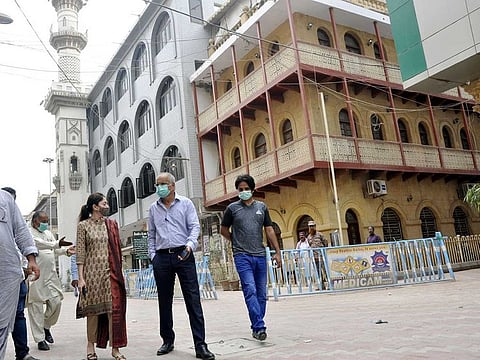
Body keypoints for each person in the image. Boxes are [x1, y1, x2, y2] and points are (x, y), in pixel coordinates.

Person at [148, 173, 215, 360]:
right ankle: (167, 340)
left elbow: (194, 227)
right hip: (161, 258)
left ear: (172, 186)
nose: (159, 187)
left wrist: (189, 246)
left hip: (183, 255)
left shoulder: (185, 203)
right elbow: (151, 234)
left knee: (193, 300)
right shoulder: (154, 208)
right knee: (164, 301)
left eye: (162, 184)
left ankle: (200, 345)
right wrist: (153, 256)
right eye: (157, 184)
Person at [220, 174, 282, 342]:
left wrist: (277, 251)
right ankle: (260, 326)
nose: (244, 191)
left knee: (262, 294)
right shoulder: (232, 209)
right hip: (242, 256)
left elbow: (269, 230)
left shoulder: (262, 207)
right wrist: (234, 239)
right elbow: (223, 229)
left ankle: (256, 324)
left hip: (260, 255)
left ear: (253, 189)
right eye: (240, 189)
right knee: (250, 290)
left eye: (247, 189)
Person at [76, 193, 127, 360]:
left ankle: (115, 349)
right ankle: (90, 347)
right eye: (104, 203)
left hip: (110, 274)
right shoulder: (83, 226)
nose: (107, 206)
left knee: (115, 311)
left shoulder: (112, 225)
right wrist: (81, 278)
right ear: (95, 207)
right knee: (93, 312)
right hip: (91, 275)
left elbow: (117, 250)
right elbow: (81, 253)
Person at [0, 189, 40, 360]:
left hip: (6, 271)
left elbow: (21, 230)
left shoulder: (5, 198)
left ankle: (21, 352)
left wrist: (31, 259)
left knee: (2, 322)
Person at [27, 211, 75, 351]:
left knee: (56, 302)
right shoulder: (28, 233)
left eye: (46, 221)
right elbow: (40, 244)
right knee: (35, 308)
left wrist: (65, 251)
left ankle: (46, 326)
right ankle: (40, 339)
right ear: (35, 221)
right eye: (43, 221)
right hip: (35, 277)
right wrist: (57, 244)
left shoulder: (48, 233)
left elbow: (53, 250)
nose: (45, 224)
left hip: (51, 276)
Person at [306, 220, 328, 289]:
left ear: (315, 226)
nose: (311, 228)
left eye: (312, 226)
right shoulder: (308, 237)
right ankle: (321, 286)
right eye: (310, 226)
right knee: (318, 272)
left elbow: (325, 243)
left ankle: (330, 285)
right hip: (314, 257)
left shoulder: (320, 234)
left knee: (325, 271)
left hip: (321, 257)